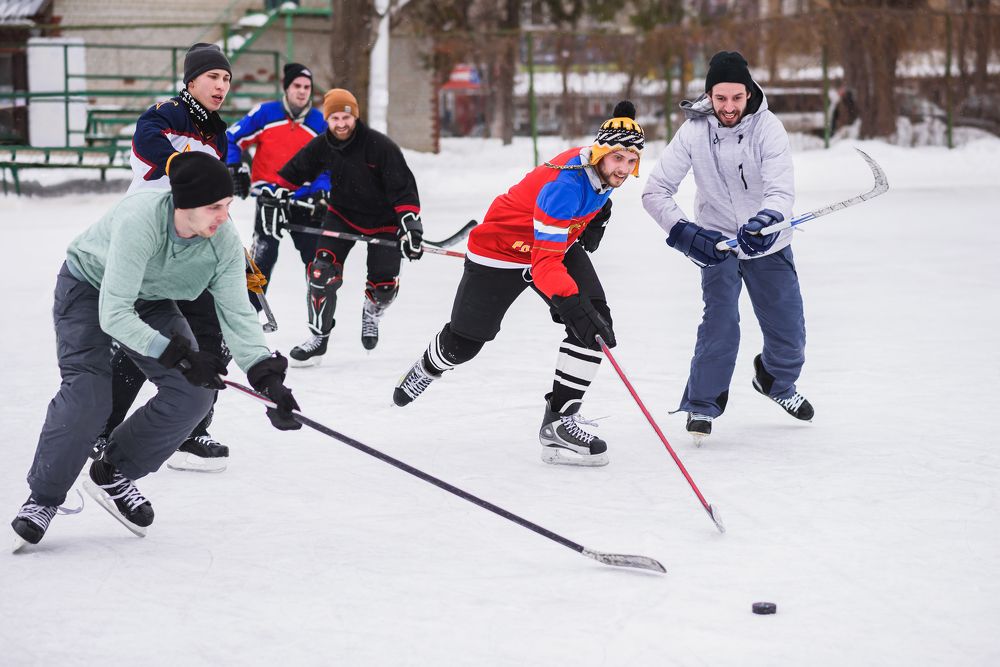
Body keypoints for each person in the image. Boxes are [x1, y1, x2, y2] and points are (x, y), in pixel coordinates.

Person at [10, 152, 300, 550]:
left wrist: (266, 376)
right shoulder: (141, 220)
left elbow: (237, 315)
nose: (223, 216)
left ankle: (114, 470)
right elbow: (113, 314)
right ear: (184, 205)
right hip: (88, 288)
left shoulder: (224, 243)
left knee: (196, 393)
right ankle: (42, 499)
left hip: (151, 297)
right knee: (90, 395)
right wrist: (179, 355)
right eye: (214, 206)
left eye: (228, 205)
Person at [391, 101, 643, 467]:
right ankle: (430, 366)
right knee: (465, 343)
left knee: (595, 326)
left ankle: (559, 422)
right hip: (500, 252)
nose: (623, 168)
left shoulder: (599, 173)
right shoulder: (565, 188)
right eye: (617, 158)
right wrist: (571, 302)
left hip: (552, 243)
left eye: (631, 160)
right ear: (601, 153)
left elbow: (557, 242)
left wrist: (597, 215)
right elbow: (544, 267)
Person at [641, 51, 814, 445]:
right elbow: (655, 191)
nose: (729, 107)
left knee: (789, 334)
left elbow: (780, 190)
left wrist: (766, 221)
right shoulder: (692, 132)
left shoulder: (768, 129)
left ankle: (776, 382)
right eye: (721, 99)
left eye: (737, 98)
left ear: (749, 93)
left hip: (768, 244)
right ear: (709, 96)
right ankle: (702, 404)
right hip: (716, 243)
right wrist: (685, 232)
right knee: (721, 324)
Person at [95, 43, 236, 472]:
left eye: (227, 79)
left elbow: (215, 200)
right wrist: (181, 163)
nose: (221, 85)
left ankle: (190, 430)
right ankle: (103, 430)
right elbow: (147, 142)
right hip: (153, 246)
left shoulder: (217, 132)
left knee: (213, 341)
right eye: (213, 76)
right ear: (191, 80)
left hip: (196, 249)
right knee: (154, 344)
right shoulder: (166, 114)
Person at [271, 88, 424, 364]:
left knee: (384, 286)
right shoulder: (323, 144)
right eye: (334, 118)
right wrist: (278, 193)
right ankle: (318, 337)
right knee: (320, 272)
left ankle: (372, 311)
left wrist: (410, 224)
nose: (341, 124)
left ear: (355, 117)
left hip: (384, 221)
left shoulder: (380, 146)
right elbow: (295, 171)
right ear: (327, 120)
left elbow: (403, 191)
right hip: (342, 215)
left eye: (346, 117)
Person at [225, 62, 330, 304]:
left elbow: (329, 164)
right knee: (263, 256)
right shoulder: (265, 113)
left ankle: (319, 322)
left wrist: (321, 192)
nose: (302, 91)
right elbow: (231, 138)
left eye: (307, 87)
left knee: (317, 261)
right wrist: (236, 166)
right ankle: (249, 316)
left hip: (305, 201)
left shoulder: (319, 122)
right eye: (297, 86)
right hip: (270, 198)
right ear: (286, 87)